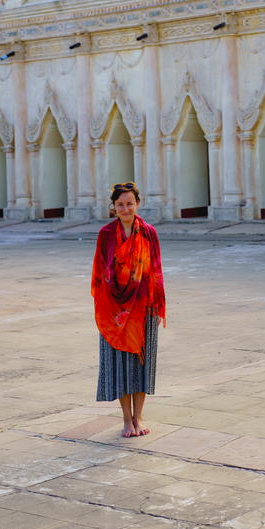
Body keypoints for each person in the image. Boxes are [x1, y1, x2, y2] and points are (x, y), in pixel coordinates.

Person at [91, 181, 166, 438]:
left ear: (137, 204)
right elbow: (100, 275)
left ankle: (139, 417)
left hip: (144, 307)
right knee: (120, 364)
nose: (125, 208)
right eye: (120, 204)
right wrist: (110, 309)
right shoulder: (105, 235)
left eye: (129, 204)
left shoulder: (149, 233)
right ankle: (126, 420)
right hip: (113, 310)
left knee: (141, 364)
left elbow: (155, 272)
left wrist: (156, 308)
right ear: (113, 207)